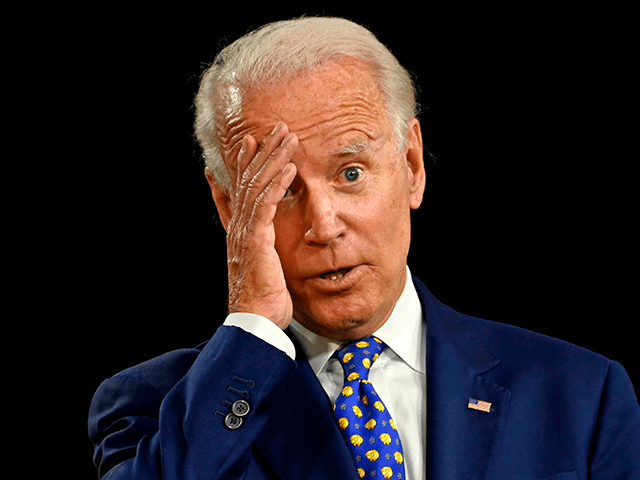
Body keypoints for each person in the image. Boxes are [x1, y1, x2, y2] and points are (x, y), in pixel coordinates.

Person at [88, 16, 639, 480]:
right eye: (280, 192)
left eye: (350, 172)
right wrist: (252, 326)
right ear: (231, 209)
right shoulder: (149, 409)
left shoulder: (582, 394)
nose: (323, 226)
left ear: (412, 166)